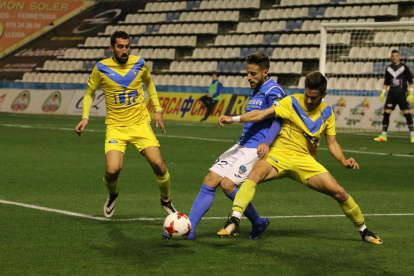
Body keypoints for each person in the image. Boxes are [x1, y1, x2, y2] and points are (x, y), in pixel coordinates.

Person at [217, 71, 383, 245]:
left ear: (323, 95)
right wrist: (234, 119)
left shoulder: (327, 113)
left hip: (305, 160)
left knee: (339, 192)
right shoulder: (292, 101)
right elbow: (261, 114)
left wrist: (343, 161)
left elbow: (332, 144)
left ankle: (364, 231)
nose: (309, 101)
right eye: (307, 95)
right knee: (254, 175)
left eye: (314, 98)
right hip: (279, 155)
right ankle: (235, 220)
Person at [165, 52, 286, 240]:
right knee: (210, 179)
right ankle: (190, 231)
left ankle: (258, 222)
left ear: (265, 72)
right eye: (248, 73)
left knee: (227, 184)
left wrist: (266, 142)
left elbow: (278, 120)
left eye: (253, 74)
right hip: (242, 144)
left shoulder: (274, 91)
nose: (249, 77)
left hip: (255, 149)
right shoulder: (257, 89)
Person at [75, 31, 177, 218]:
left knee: (158, 164)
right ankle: (113, 194)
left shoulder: (139, 63)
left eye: (127, 46)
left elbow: (150, 84)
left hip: (140, 124)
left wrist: (158, 109)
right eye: (120, 46)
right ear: (111, 48)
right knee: (112, 170)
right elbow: (90, 92)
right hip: (116, 127)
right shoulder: (101, 68)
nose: (125, 50)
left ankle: (166, 200)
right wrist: (85, 117)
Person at [374, 49, 414, 143]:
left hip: (402, 94)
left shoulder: (404, 67)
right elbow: (386, 82)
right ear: (391, 57)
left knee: (407, 113)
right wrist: (383, 92)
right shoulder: (388, 68)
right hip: (391, 94)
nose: (394, 58)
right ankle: (383, 135)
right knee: (386, 113)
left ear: (399, 56)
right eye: (393, 56)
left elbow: (410, 81)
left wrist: (411, 93)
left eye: (396, 56)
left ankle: (412, 135)